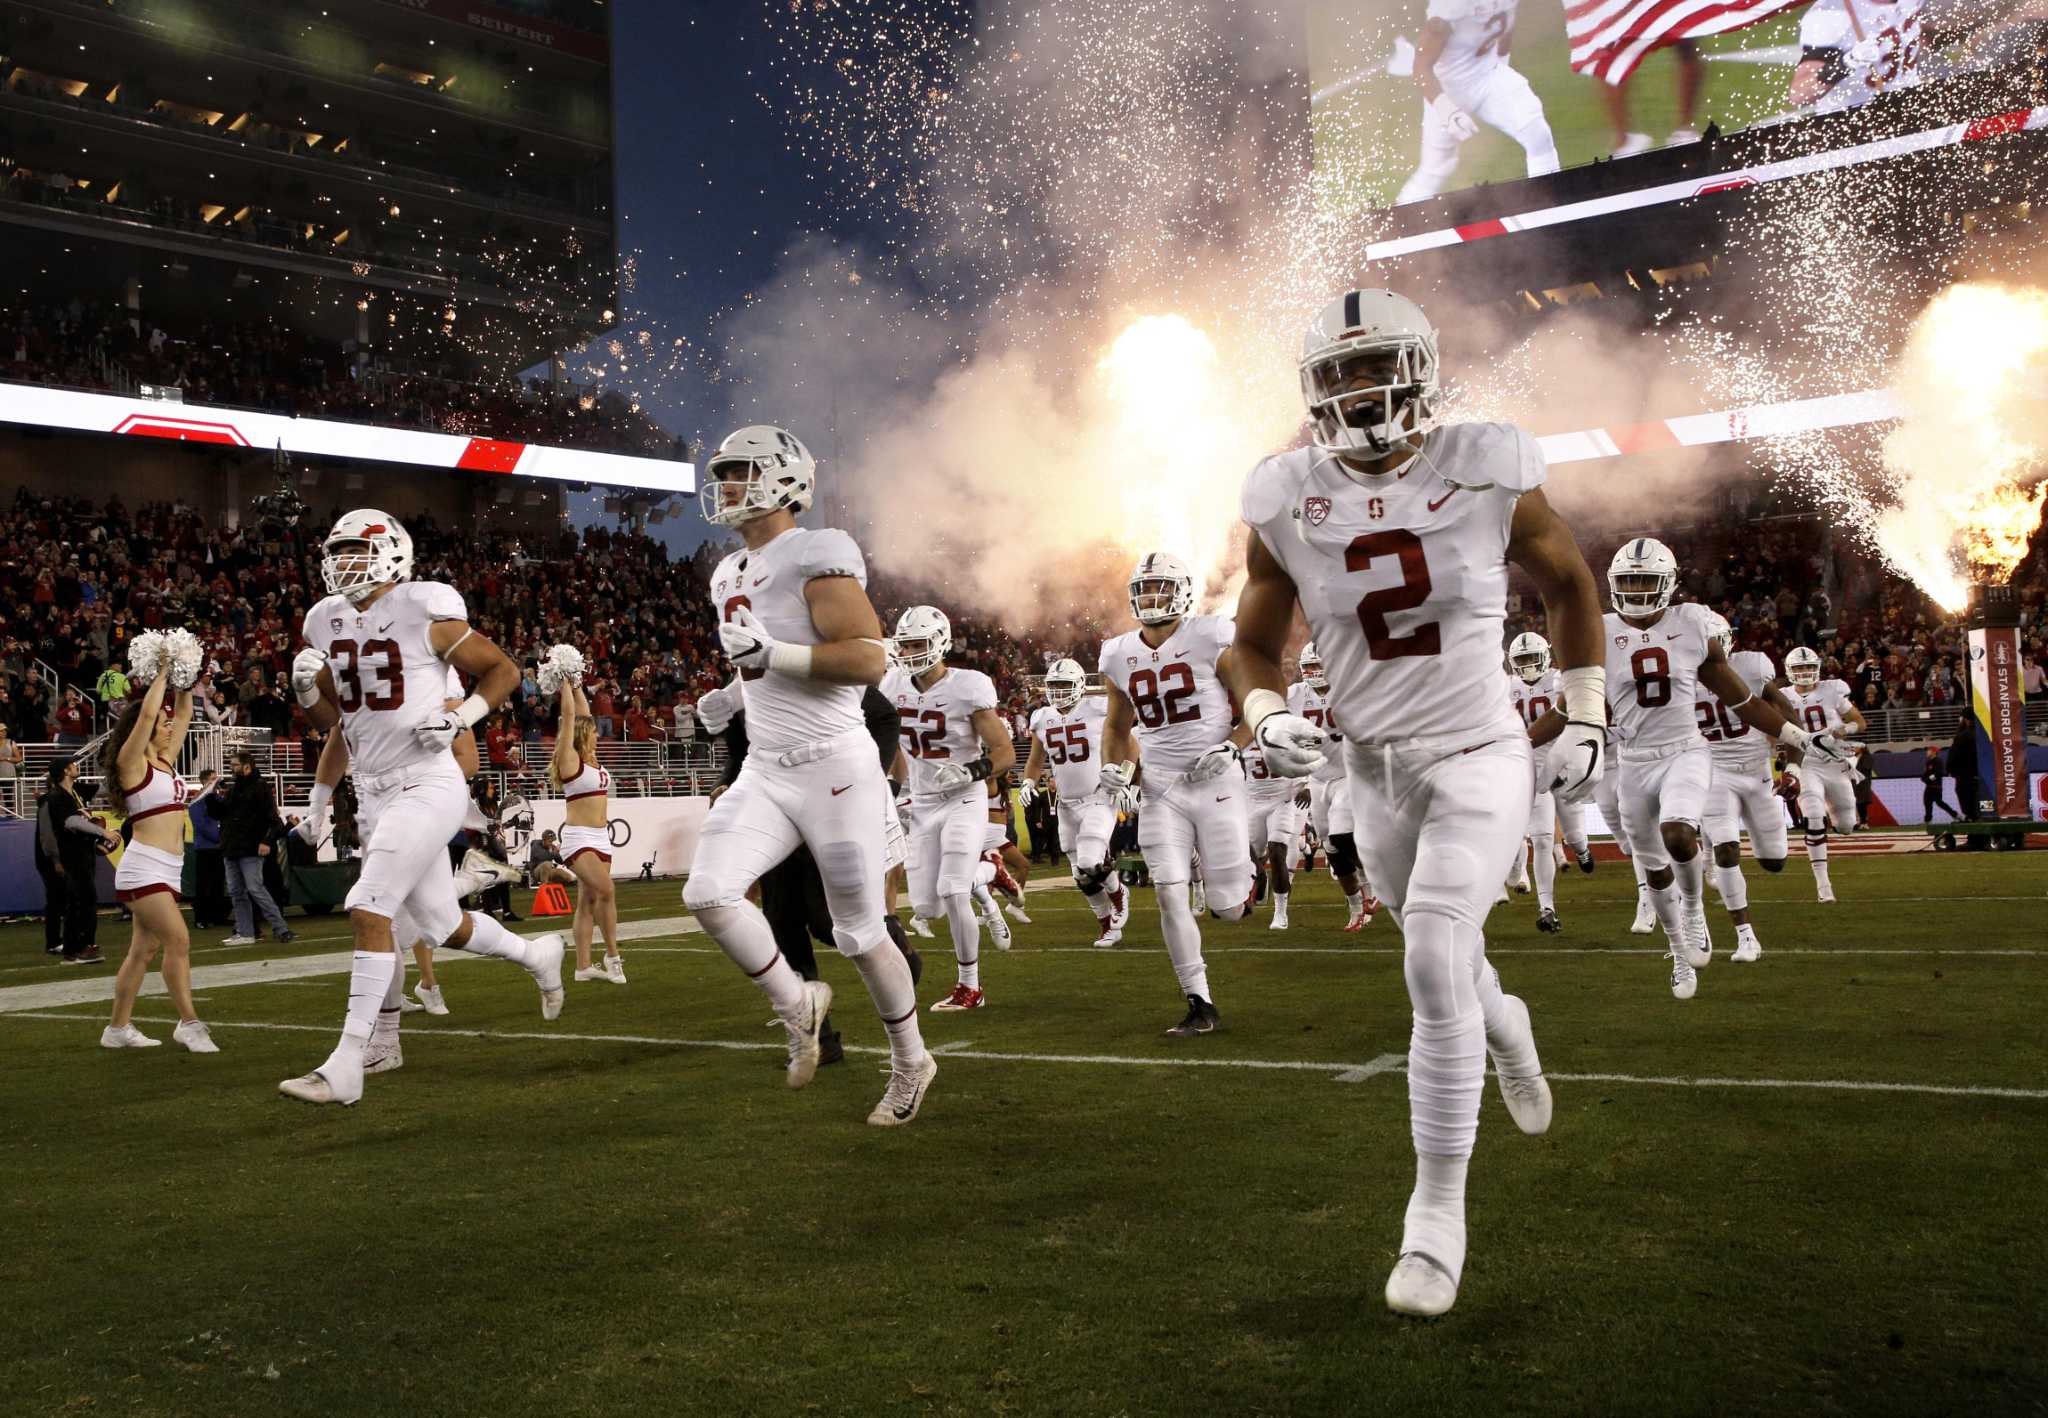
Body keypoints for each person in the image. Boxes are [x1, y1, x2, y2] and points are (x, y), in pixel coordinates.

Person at [1228, 286, 1612, 1317]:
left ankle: (1434, 1218)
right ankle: (1508, 1027)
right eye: (1338, 373)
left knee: (1431, 950)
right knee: (1450, 964)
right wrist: (1263, 711)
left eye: (1373, 366)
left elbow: (1572, 582)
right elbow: (1250, 641)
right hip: (1371, 769)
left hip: (1479, 748)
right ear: (1313, 391)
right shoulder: (1283, 494)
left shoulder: (1482, 463)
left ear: (1420, 367)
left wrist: (1582, 710)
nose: (1358, 389)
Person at [681, 425, 937, 1126]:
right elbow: (759, 665)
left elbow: (865, 659)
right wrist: (731, 695)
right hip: (767, 766)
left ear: (778, 478)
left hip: (833, 764)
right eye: (723, 472)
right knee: (708, 892)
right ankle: (800, 1004)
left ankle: (911, 1060)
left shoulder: (815, 552)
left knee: (858, 933)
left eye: (736, 472)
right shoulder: (728, 571)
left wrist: (773, 659)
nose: (724, 485)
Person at [278, 508, 556, 1106]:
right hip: (374, 789)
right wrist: (307, 693)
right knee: (439, 924)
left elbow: (502, 669)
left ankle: (349, 1060)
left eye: (357, 550)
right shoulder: (323, 620)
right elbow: (337, 725)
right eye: (338, 552)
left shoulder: (423, 607)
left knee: (368, 905)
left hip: (427, 781)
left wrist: (461, 717)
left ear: (392, 555)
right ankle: (538, 954)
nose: (343, 563)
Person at [1606, 542, 1848, 998]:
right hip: (1636, 761)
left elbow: (1747, 702)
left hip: (1697, 755)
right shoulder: (1598, 631)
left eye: (1646, 581)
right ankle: (1679, 949)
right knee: (1655, 865)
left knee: (1689, 837)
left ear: (1669, 585)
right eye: (1628, 582)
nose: (1636, 591)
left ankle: (1695, 908)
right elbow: (1575, 705)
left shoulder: (1697, 629)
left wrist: (1797, 742)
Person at [700, 678, 922, 1066]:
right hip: (774, 815)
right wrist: (724, 786)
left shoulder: (803, 666)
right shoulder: (740, 689)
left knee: (827, 922)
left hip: (829, 806)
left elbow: (885, 717)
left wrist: (872, 778)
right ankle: (819, 1037)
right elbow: (739, 756)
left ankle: (892, 944)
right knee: (782, 924)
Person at [1098, 551, 1257, 1038]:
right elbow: (1117, 724)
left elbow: (1258, 700)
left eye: (1160, 589)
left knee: (1229, 909)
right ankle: (1199, 1001)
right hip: (1161, 787)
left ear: (1183, 593)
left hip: (1215, 780)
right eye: (1143, 591)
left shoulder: (1210, 635)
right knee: (1169, 894)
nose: (1151, 599)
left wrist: (1233, 747)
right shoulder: (1117, 652)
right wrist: (1116, 768)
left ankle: (1242, 881)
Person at [881, 604, 1016, 1011]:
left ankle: (969, 986)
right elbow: (893, 745)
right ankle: (991, 867)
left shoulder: (968, 686)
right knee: (927, 906)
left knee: (952, 889)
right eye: (905, 645)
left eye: (918, 643)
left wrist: (971, 771)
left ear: (939, 643)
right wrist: (894, 784)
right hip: (922, 802)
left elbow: (1005, 751)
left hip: (963, 797)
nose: (910, 652)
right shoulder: (892, 686)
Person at [100, 631, 216, 1052]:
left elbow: (183, 710)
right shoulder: (131, 763)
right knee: (179, 940)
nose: (170, 728)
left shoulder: (166, 762)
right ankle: (188, 1022)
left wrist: (188, 673)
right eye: (162, 725)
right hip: (144, 864)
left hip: (168, 867)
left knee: (141, 952)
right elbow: (149, 717)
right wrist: (163, 670)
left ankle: (117, 1029)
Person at [1694, 613, 1795, 964]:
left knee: (1774, 862)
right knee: (1727, 851)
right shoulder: (1679, 674)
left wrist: (1793, 765)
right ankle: (1746, 937)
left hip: (1757, 773)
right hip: (1713, 772)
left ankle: (1708, 841)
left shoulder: (1751, 666)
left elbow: (1786, 711)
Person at [1397, 0, 1559, 204]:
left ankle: (1549, 206)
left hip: (1488, 75)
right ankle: (1401, 227)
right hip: (1448, 89)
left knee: (1537, 134)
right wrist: (1446, 110)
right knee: (1435, 169)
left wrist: (1502, 67)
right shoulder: (1450, 7)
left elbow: (1505, 25)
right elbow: (1420, 68)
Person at [1020, 658, 1130, 947]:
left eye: (1063, 685)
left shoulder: (1098, 709)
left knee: (1090, 860)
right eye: (1053, 686)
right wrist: (1028, 781)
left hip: (1098, 796)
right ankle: (1107, 925)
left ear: (1080, 686)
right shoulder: (1042, 717)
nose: (1057, 692)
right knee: (1080, 874)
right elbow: (1034, 759)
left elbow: (1131, 745)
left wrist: (1128, 779)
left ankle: (1119, 892)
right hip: (1066, 804)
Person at [1289, 641, 1374, 930]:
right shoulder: (1295, 696)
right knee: (1331, 848)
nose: (1314, 672)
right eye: (1309, 667)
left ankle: (1374, 881)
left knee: (1341, 836)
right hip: (1317, 778)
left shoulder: (1350, 692)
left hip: (1347, 776)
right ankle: (1355, 907)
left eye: (1319, 665)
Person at [547, 671, 625, 985]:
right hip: (579, 838)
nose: (596, 734)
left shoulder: (593, 761)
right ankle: (612, 956)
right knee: (607, 890)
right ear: (581, 736)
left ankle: (582, 967)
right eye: (591, 731)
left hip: (601, 836)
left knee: (588, 901)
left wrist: (577, 683)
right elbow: (570, 715)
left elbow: (583, 712)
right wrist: (563, 679)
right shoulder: (569, 759)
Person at [1780, 645, 1870, 903]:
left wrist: (1842, 731)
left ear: (1817, 668)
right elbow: (1769, 731)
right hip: (1805, 763)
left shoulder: (1831, 691)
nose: (1805, 672)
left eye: (1809, 667)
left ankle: (1831, 823)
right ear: (1790, 671)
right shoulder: (1782, 695)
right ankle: (1824, 887)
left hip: (1833, 764)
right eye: (1800, 668)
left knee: (1845, 826)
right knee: (1814, 816)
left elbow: (1860, 722)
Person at [1503, 632, 1568, 933]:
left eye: (1532, 658)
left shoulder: (1559, 680)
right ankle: (1514, 872)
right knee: (1509, 838)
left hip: (1546, 768)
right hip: (1513, 770)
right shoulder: (1505, 687)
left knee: (1543, 839)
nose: (1528, 665)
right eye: (1522, 660)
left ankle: (1547, 907)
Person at [41, 758, 119, 961]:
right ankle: (79, 947)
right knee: (82, 901)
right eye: (73, 765)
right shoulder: (58, 796)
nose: (77, 767)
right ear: (66, 771)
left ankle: (77, 948)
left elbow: (105, 788)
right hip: (72, 855)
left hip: (84, 852)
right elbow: (72, 821)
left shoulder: (76, 791)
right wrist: (103, 832)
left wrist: (116, 766)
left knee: (81, 901)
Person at [1790, 0, 1926, 114]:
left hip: (1910, 106)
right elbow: (1799, 94)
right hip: (1854, 123)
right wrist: (1847, 62)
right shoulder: (1829, 15)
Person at [218, 751, 297, 946]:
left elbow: (274, 821)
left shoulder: (260, 788)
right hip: (232, 847)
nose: (232, 768)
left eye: (235, 765)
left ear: (247, 766)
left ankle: (281, 928)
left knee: (255, 888)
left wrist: (265, 841)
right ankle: (246, 932)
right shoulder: (234, 788)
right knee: (237, 891)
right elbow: (224, 816)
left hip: (250, 847)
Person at [186, 769, 230, 929]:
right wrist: (219, 838)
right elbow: (201, 824)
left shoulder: (217, 798)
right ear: (204, 781)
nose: (216, 782)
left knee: (218, 883)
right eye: (212, 780)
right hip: (205, 847)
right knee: (204, 884)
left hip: (218, 846)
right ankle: (201, 918)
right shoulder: (197, 800)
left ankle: (218, 916)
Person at [1922, 745, 1960, 821]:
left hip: (1936, 786)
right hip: (1929, 786)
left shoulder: (1938, 761)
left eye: (1929, 750)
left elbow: (1938, 773)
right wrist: (1923, 778)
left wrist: (1928, 779)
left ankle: (1956, 815)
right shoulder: (1928, 762)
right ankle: (1928, 820)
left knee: (1939, 803)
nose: (1927, 752)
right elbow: (1926, 773)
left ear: (1934, 752)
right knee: (1927, 803)